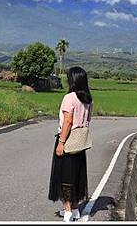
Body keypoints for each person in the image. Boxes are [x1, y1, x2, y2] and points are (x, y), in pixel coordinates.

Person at [48, 66, 93, 222]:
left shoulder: (70, 98)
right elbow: (88, 120)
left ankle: (67, 211)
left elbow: (67, 122)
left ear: (72, 80)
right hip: (80, 143)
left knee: (64, 176)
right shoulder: (87, 99)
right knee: (77, 175)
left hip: (68, 140)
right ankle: (75, 209)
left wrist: (61, 143)